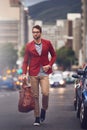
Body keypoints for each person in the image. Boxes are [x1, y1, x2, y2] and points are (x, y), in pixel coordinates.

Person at [22, 25, 56, 126]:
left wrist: (49, 65)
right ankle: (37, 118)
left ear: (40, 33)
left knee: (45, 93)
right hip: (33, 73)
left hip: (45, 73)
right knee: (35, 96)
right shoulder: (29, 46)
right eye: (33, 32)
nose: (35, 34)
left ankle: (43, 109)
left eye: (37, 32)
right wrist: (24, 73)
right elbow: (25, 61)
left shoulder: (47, 43)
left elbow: (54, 55)